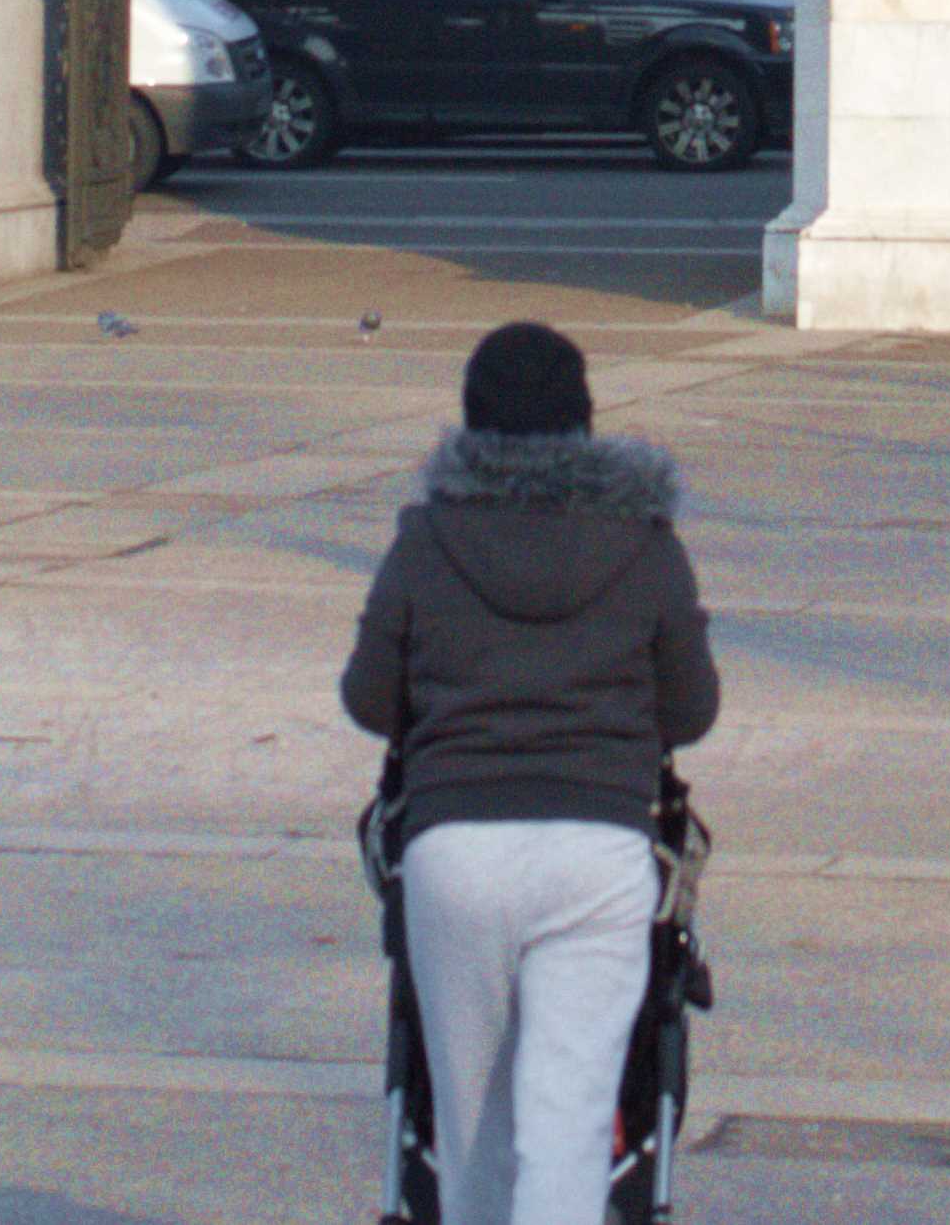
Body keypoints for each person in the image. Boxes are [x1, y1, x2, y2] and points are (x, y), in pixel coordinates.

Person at [341, 320, 718, 1223]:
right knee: (569, 1119)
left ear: (473, 427)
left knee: (470, 1124)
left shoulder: (425, 543)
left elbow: (368, 701)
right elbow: (692, 712)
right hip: (598, 851)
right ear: (584, 424)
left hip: (455, 850)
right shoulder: (646, 545)